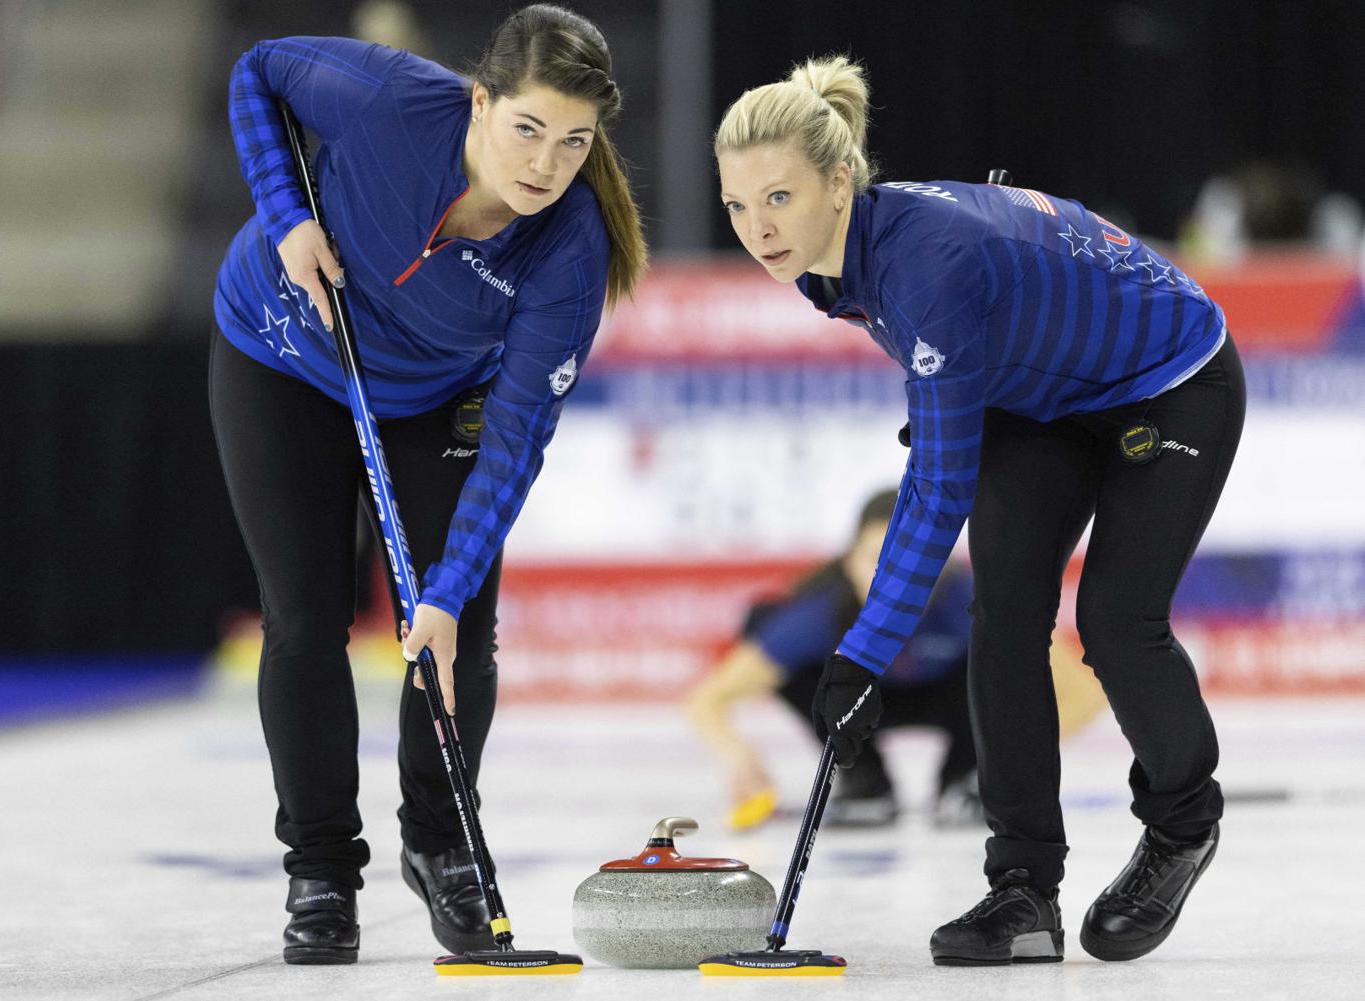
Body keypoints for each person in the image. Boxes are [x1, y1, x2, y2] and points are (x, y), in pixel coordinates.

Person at [714, 57, 1244, 966]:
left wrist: (862, 654)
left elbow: (937, 493)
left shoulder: (929, 268)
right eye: (736, 207)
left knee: (1115, 621)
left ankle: (1181, 824)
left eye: (779, 198)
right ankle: (1023, 890)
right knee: (1004, 617)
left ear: (840, 183)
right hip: (1038, 395)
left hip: (1170, 380)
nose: (758, 229)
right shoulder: (831, 260)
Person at [209, 5, 645, 964]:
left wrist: (443, 592)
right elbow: (258, 74)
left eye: (574, 142)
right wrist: (287, 219)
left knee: (460, 630)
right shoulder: (391, 100)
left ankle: (442, 843)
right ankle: (320, 866)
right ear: (480, 102)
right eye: (527, 128)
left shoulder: (569, 254)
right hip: (280, 356)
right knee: (307, 616)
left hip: (436, 396)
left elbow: (518, 440)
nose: (545, 163)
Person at [686, 489, 1104, 833]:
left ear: (939, 564)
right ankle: (865, 779)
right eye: (874, 559)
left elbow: (1084, 696)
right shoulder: (817, 612)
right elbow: (709, 699)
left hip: (957, 702)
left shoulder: (972, 597)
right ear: (848, 562)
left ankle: (966, 776)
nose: (892, 579)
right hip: (856, 707)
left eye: (911, 560)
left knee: (993, 660)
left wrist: (1005, 763)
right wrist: (739, 757)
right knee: (791, 658)